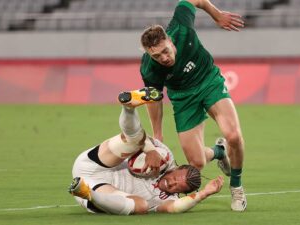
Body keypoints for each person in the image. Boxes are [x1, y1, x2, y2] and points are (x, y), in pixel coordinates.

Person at [126, 0, 247, 212]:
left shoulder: (181, 26)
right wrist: (158, 135)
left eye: (165, 51)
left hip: (208, 81)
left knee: (234, 135)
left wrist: (216, 14)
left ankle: (236, 185)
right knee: (197, 163)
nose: (164, 58)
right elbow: (154, 99)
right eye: (156, 55)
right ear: (148, 53)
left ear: (169, 40)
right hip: (183, 98)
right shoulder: (149, 68)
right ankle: (219, 152)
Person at [68, 88, 224, 215]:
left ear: (181, 193)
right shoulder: (166, 157)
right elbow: (141, 137)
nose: (172, 183)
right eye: (176, 177)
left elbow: (175, 208)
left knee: (142, 206)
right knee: (135, 141)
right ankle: (129, 107)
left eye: (178, 187)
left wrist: (204, 193)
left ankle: (85, 192)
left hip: (99, 190)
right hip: (96, 163)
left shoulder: (166, 199)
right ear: (177, 168)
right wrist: (150, 151)